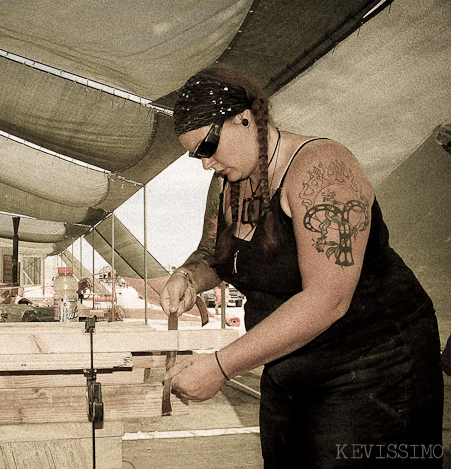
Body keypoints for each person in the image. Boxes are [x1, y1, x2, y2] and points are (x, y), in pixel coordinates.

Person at [161, 65, 442, 467]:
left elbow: (327, 299)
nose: (206, 164)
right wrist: (188, 277)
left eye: (207, 147)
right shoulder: (228, 183)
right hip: (290, 360)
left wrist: (221, 367)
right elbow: (215, 256)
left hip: (374, 364)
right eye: (196, 156)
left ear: (244, 118)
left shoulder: (321, 169)